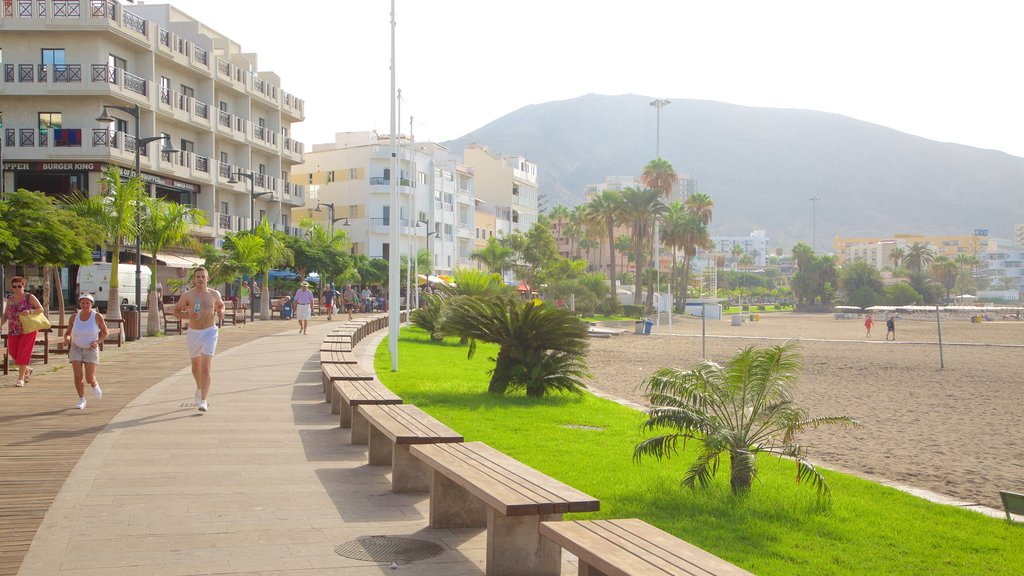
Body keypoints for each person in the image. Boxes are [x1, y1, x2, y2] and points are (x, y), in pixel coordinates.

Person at [175, 267, 224, 412]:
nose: (201, 279)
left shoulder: (214, 294)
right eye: (198, 277)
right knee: (195, 366)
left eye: (203, 276)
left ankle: (203, 400)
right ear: (194, 279)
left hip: (210, 332)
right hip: (194, 333)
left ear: (207, 278)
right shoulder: (187, 295)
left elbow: (220, 305)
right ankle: (199, 387)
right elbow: (176, 311)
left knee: (205, 367)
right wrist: (189, 316)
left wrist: (221, 312)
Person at [64, 292, 108, 409]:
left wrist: (97, 342)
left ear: (91, 304)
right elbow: (68, 332)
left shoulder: (96, 316)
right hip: (76, 348)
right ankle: (81, 399)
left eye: (87, 303)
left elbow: (105, 332)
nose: (85, 305)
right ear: (79, 304)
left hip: (91, 349)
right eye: (83, 303)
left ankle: (94, 384)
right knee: (78, 376)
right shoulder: (74, 317)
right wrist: (67, 339)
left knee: (89, 378)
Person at [1, 276, 45, 387]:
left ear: (23, 286)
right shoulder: (10, 299)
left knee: (23, 353)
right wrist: (0, 324)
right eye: (14, 286)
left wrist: (30, 311)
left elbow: (41, 309)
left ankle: (20, 378)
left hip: (28, 329)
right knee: (12, 352)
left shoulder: (29, 297)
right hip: (13, 329)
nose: (17, 288)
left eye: (19, 286)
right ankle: (27, 369)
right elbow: (6, 314)